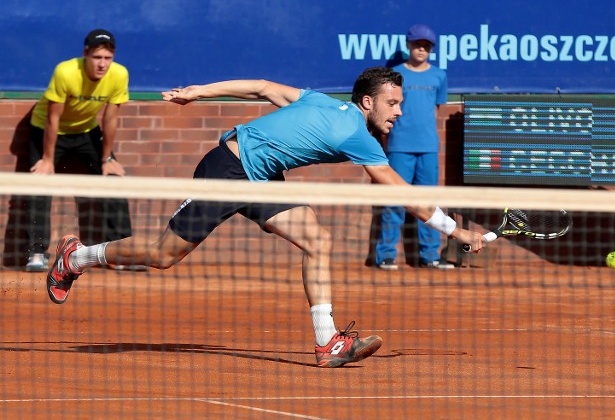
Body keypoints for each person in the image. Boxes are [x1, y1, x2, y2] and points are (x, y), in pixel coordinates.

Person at [45, 67, 485, 368]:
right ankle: (76, 257)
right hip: (229, 169)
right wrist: (456, 229)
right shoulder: (358, 135)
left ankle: (327, 341)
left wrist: (200, 91)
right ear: (368, 102)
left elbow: (260, 87)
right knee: (163, 256)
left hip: (264, 177)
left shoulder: (320, 101)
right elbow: (403, 193)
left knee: (317, 239)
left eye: (401, 104)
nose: (399, 112)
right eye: (393, 103)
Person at [25, 29, 133, 272]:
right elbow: (53, 119)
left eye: (107, 57)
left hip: (86, 131)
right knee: (39, 183)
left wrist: (107, 158)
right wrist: (48, 160)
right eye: (97, 57)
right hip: (47, 129)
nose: (102, 63)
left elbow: (110, 119)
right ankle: (36, 252)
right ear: (86, 54)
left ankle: (123, 252)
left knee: (114, 179)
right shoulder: (65, 72)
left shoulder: (119, 75)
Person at [376, 24, 451, 271]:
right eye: (418, 44)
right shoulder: (395, 74)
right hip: (399, 147)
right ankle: (385, 255)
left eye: (427, 45)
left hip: (428, 147)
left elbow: (436, 109)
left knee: (428, 201)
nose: (422, 49)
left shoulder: (439, 75)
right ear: (409, 45)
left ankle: (430, 256)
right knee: (395, 201)